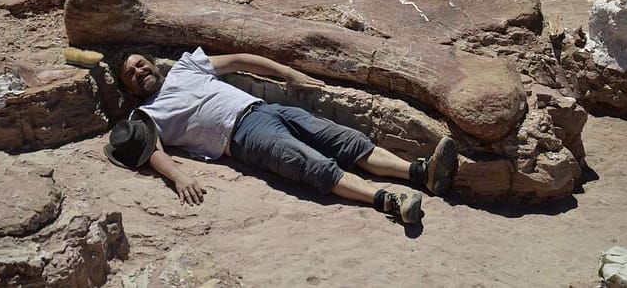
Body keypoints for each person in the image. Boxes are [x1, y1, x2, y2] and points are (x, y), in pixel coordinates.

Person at [105, 47, 458, 225]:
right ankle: (390, 202)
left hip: (265, 109)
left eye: (140, 64)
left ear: (151, 63)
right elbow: (153, 150)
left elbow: (241, 60)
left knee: (344, 139)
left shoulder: (186, 66)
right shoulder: (145, 115)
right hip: (242, 136)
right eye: (130, 74)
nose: (139, 72)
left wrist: (288, 73)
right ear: (128, 88)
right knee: (312, 165)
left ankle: (420, 172)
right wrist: (179, 176)